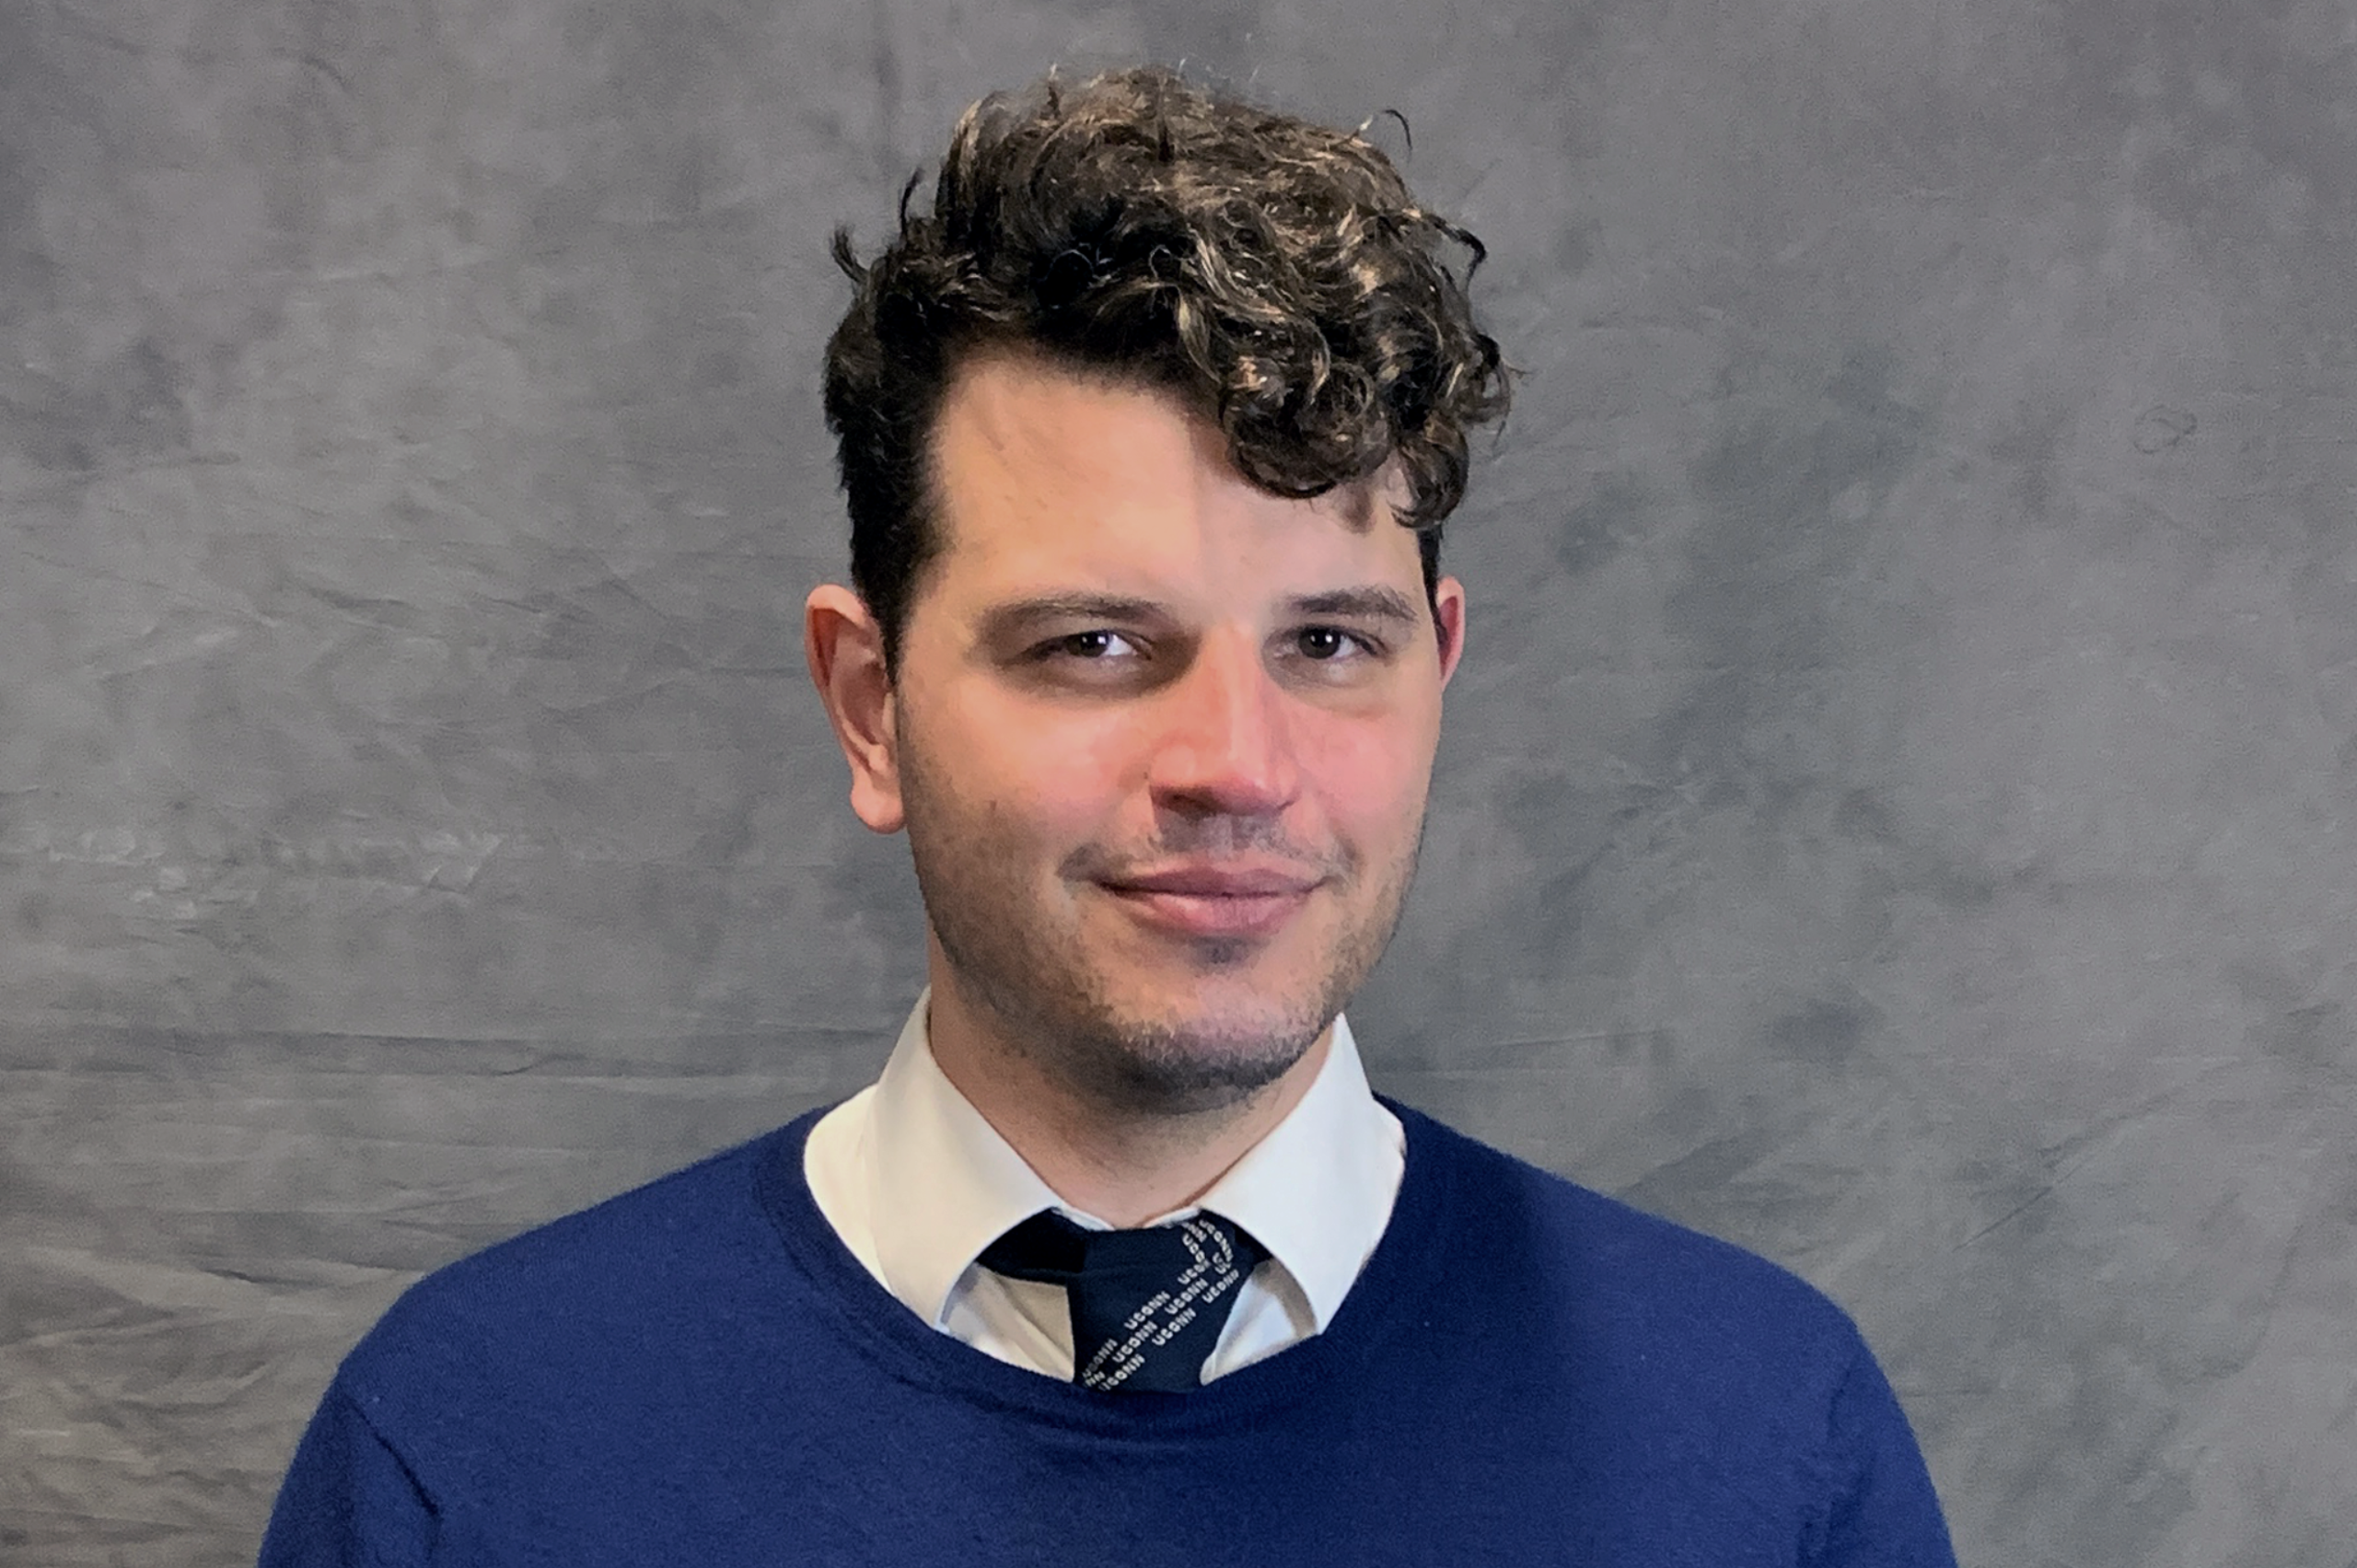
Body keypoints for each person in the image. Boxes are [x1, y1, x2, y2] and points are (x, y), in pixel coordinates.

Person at [259, 64, 1957, 1565]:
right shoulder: (476, 1456)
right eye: (1094, 643)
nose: (1234, 758)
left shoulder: (1761, 1446)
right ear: (871, 706)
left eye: (1329, 643)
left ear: (1437, 670)